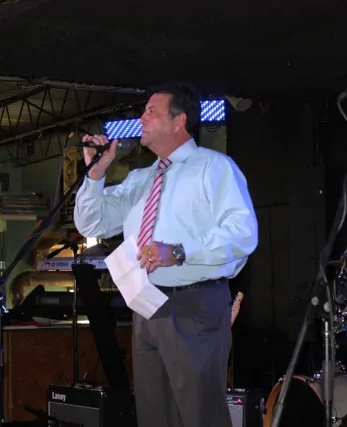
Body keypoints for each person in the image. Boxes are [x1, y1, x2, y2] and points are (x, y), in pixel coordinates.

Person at [73, 82, 258, 427]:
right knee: (153, 415)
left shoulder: (213, 167)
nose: (141, 118)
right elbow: (91, 223)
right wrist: (95, 174)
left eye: (151, 111)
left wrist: (179, 251)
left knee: (200, 415)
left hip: (193, 303)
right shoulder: (142, 178)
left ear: (179, 121)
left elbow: (242, 233)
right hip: (146, 303)